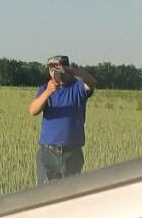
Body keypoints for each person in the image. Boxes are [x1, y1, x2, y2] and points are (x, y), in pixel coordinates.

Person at [28, 55, 97, 184]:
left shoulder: (78, 88)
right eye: (50, 69)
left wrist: (71, 70)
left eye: (56, 69)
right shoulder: (44, 89)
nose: (53, 72)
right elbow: (33, 110)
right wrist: (48, 92)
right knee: (46, 196)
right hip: (48, 152)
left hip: (72, 154)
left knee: (70, 195)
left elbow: (92, 82)